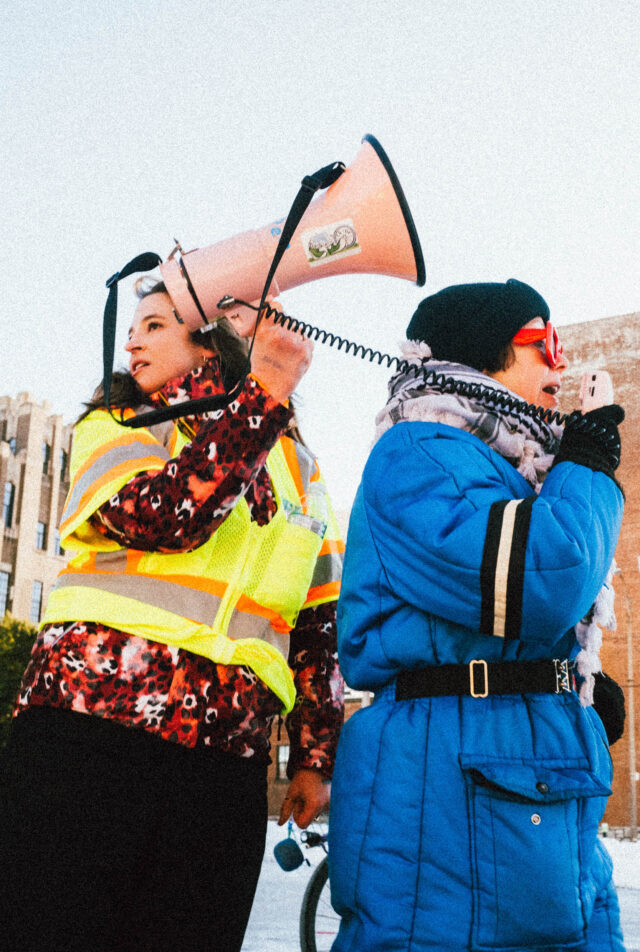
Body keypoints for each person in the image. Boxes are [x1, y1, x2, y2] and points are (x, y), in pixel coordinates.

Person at [0, 280, 344, 952]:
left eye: (155, 325)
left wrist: (313, 757)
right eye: (134, 327)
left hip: (223, 768)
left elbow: (316, 625)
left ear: (212, 338)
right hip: (87, 740)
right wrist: (266, 390)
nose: (132, 341)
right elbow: (165, 515)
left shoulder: (303, 471)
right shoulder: (115, 425)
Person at [328, 279, 626, 952]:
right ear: (482, 354)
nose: (560, 362)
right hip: (455, 786)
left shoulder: (503, 462)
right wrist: (589, 471)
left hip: (512, 775)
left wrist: (561, 685)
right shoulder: (420, 451)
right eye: (542, 343)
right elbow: (541, 579)